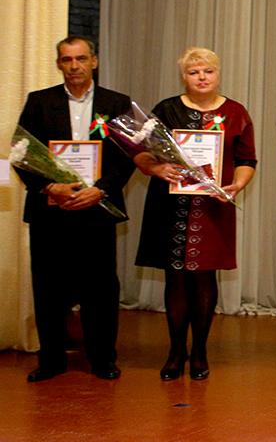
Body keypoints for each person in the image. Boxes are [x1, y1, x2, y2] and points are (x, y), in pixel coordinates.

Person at [133, 47, 257, 381]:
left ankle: (200, 350)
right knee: (175, 278)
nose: (201, 77)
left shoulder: (236, 112)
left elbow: (247, 160)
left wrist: (237, 185)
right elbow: (140, 153)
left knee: (204, 277)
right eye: (193, 72)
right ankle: (176, 351)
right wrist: (156, 169)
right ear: (184, 77)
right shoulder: (166, 109)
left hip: (213, 207)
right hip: (170, 206)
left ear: (218, 74)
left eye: (208, 71)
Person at [15, 36, 134, 381]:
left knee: (101, 287)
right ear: (59, 64)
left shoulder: (116, 102)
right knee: (48, 286)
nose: (74, 66)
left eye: (81, 58)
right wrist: (49, 186)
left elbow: (128, 155)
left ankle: (103, 359)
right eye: (67, 60)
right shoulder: (40, 102)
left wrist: (101, 190)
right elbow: (22, 152)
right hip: (52, 209)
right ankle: (51, 360)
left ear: (94, 61)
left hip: (97, 207)